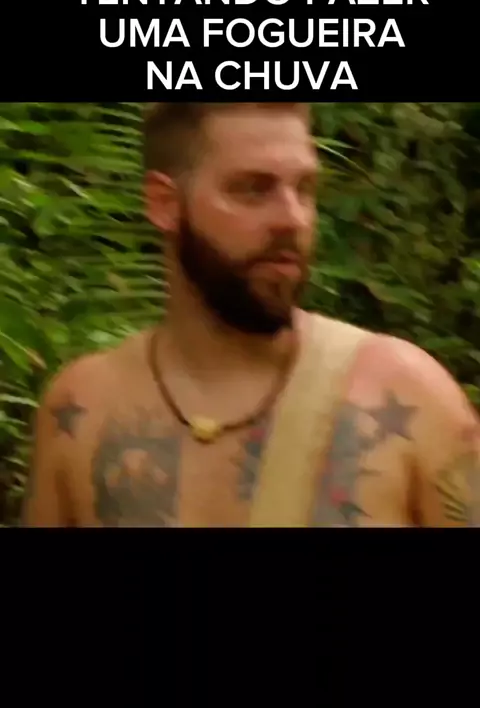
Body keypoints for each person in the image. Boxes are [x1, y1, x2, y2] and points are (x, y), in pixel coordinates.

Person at [23, 102, 480, 527]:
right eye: (253, 189)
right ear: (165, 204)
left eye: (304, 188)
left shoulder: (410, 398)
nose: (293, 219)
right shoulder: (82, 410)